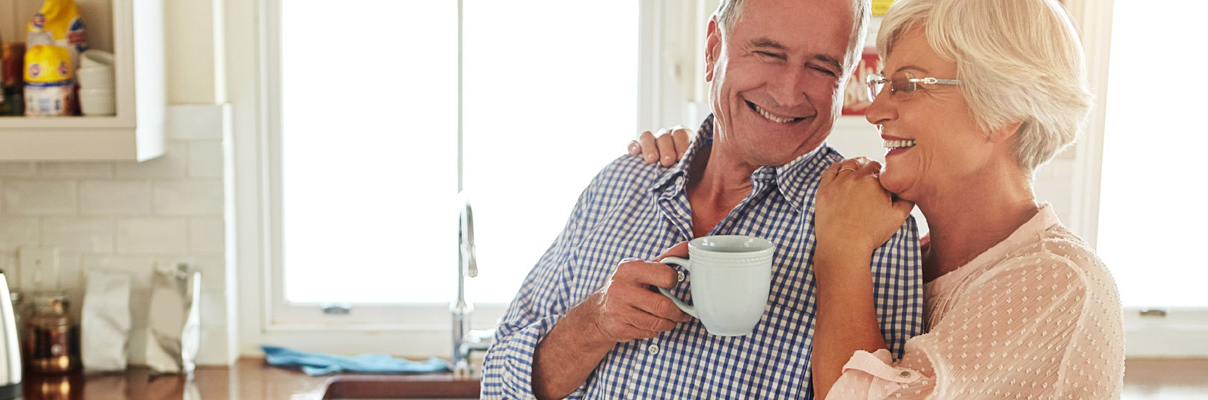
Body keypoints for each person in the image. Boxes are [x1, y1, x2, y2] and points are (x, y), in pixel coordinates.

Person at [635, 0, 1124, 398]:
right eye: (881, 82)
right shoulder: (910, 255)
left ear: (1003, 110)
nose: (875, 111)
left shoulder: (1060, 280)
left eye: (907, 86)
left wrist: (841, 248)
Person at [480, 0, 926, 399]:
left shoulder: (873, 227)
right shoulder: (620, 184)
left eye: (824, 67)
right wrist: (594, 324)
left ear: (846, 79)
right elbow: (497, 385)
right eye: (769, 53)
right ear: (714, 49)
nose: (789, 92)